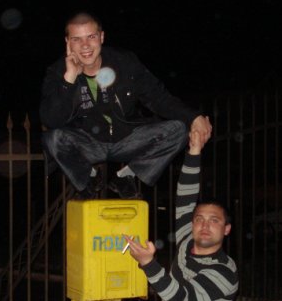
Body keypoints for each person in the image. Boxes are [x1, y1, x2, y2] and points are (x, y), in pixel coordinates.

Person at [40, 11, 212, 199]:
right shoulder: (58, 72)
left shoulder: (124, 62)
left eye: (91, 37)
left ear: (102, 37)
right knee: (53, 138)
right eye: (77, 39)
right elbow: (51, 120)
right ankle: (89, 177)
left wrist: (193, 117)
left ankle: (125, 176)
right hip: (87, 142)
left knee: (178, 129)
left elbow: (158, 97)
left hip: (126, 138)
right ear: (67, 42)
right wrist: (69, 79)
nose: (85, 45)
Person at [124, 130, 239, 301]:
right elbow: (185, 195)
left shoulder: (225, 271)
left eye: (214, 220)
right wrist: (194, 151)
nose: (204, 225)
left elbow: (180, 298)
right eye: (199, 219)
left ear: (226, 229)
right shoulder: (186, 241)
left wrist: (148, 264)